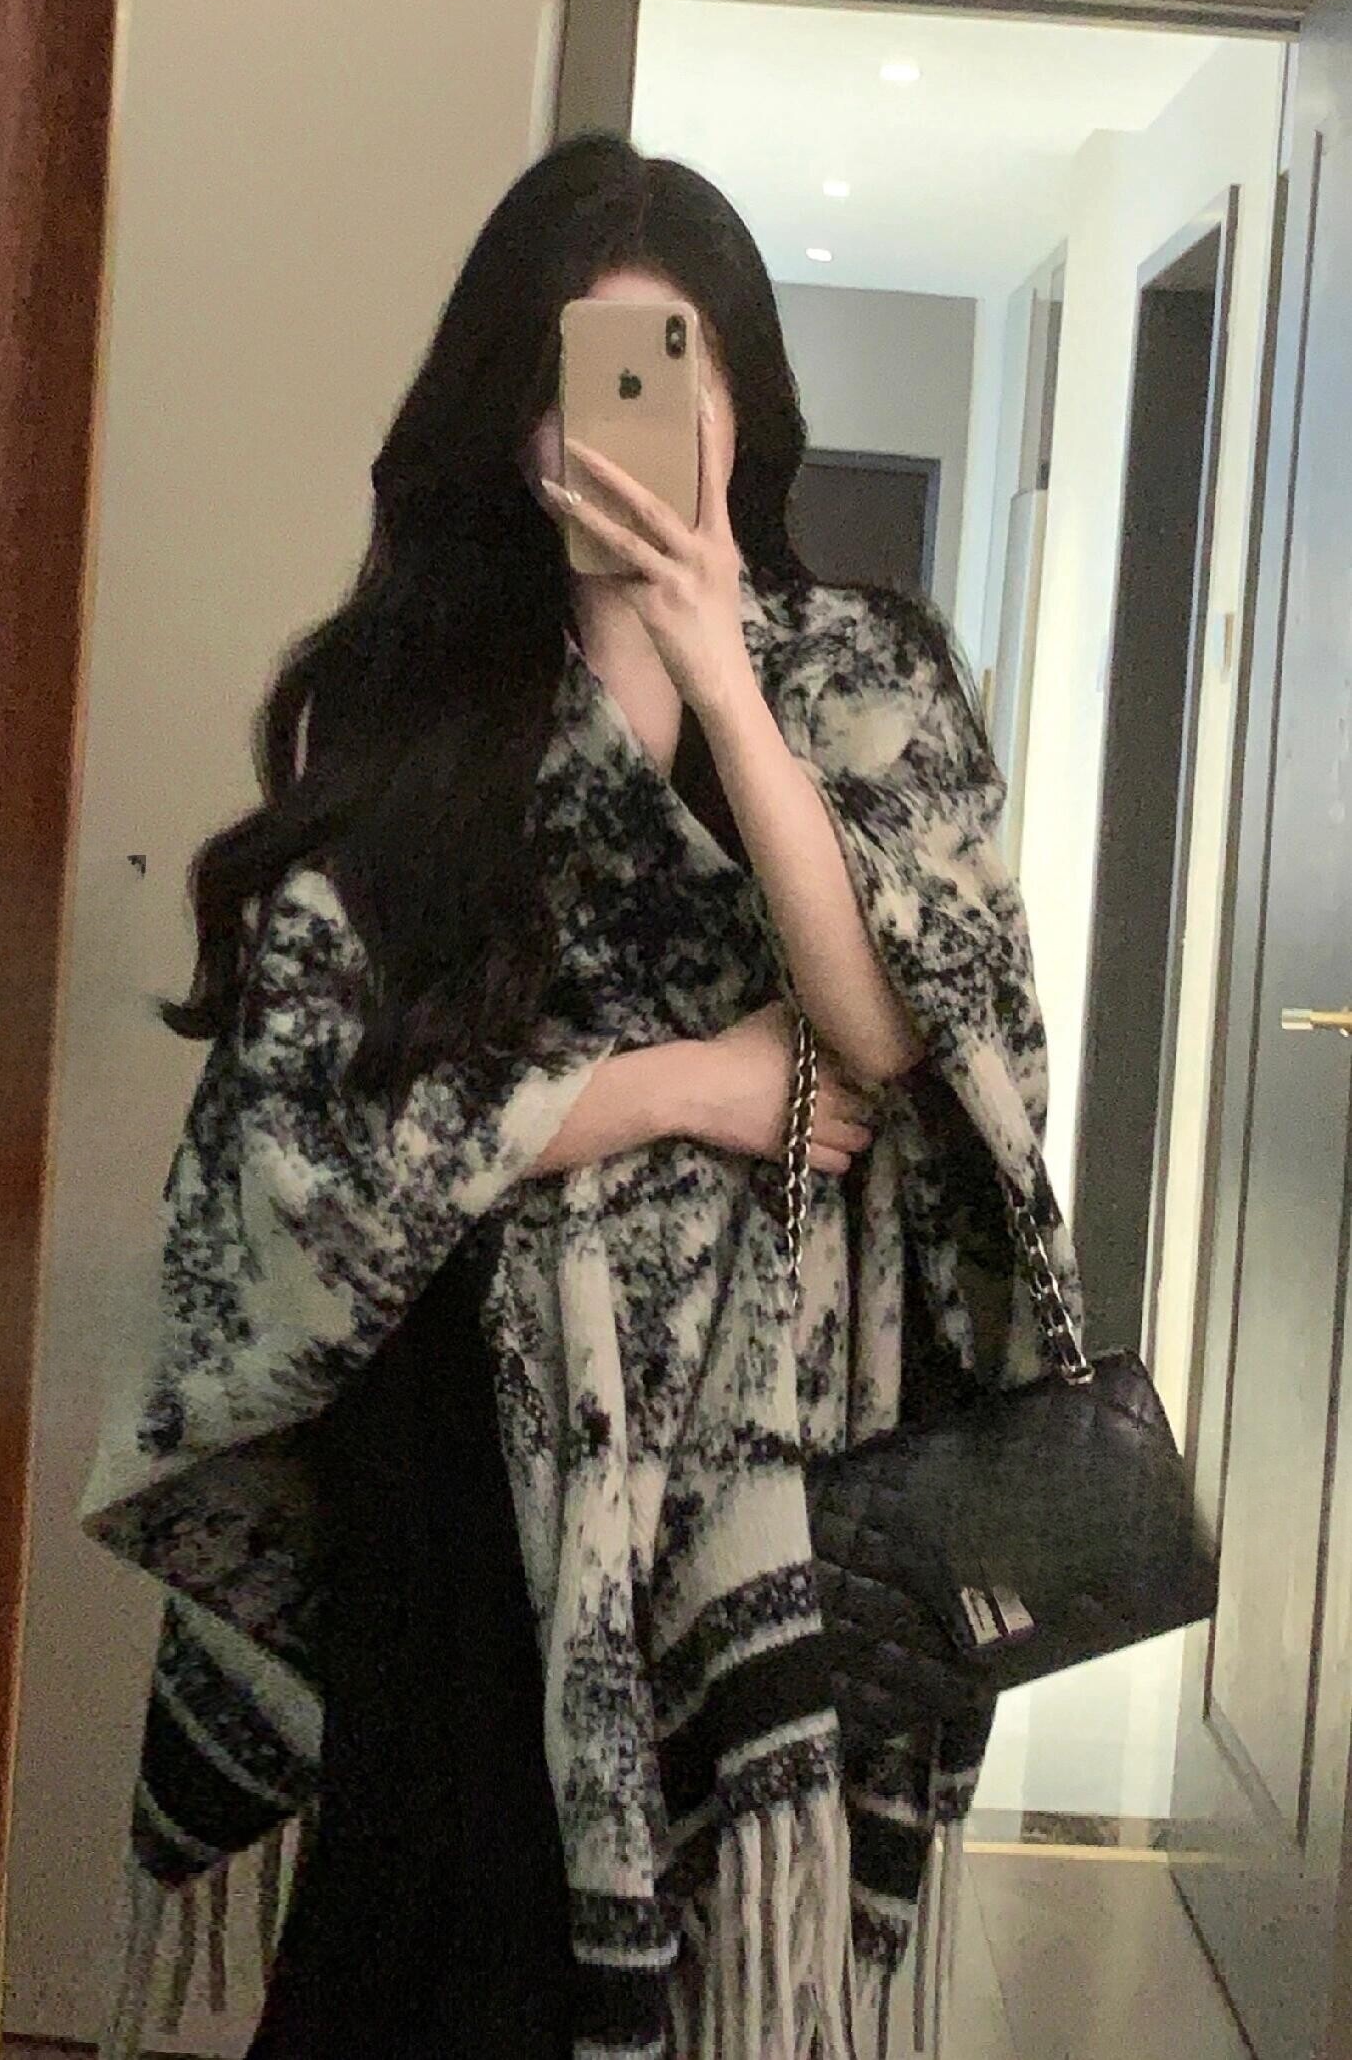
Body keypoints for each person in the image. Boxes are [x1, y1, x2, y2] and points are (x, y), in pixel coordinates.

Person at [85, 133, 1072, 2060]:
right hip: (453, 1433)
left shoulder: (862, 674)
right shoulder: (418, 700)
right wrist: (684, 1084)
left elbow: (893, 1029)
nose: (632, 420)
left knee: (680, 1982)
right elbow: (312, 1131)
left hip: (756, 1456)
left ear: (741, 397)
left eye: (672, 365)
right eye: (585, 375)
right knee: (415, 1951)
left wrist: (713, 657)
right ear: (512, 414)